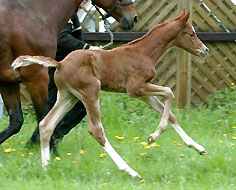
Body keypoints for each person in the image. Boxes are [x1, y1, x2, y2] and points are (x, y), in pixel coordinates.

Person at [27, 0, 99, 152]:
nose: (85, 1)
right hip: (59, 66)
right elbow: (62, 38)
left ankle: (40, 140)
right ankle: (47, 139)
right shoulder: (65, 14)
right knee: (74, 105)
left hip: (66, 67)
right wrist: (87, 48)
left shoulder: (70, 13)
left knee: (63, 106)